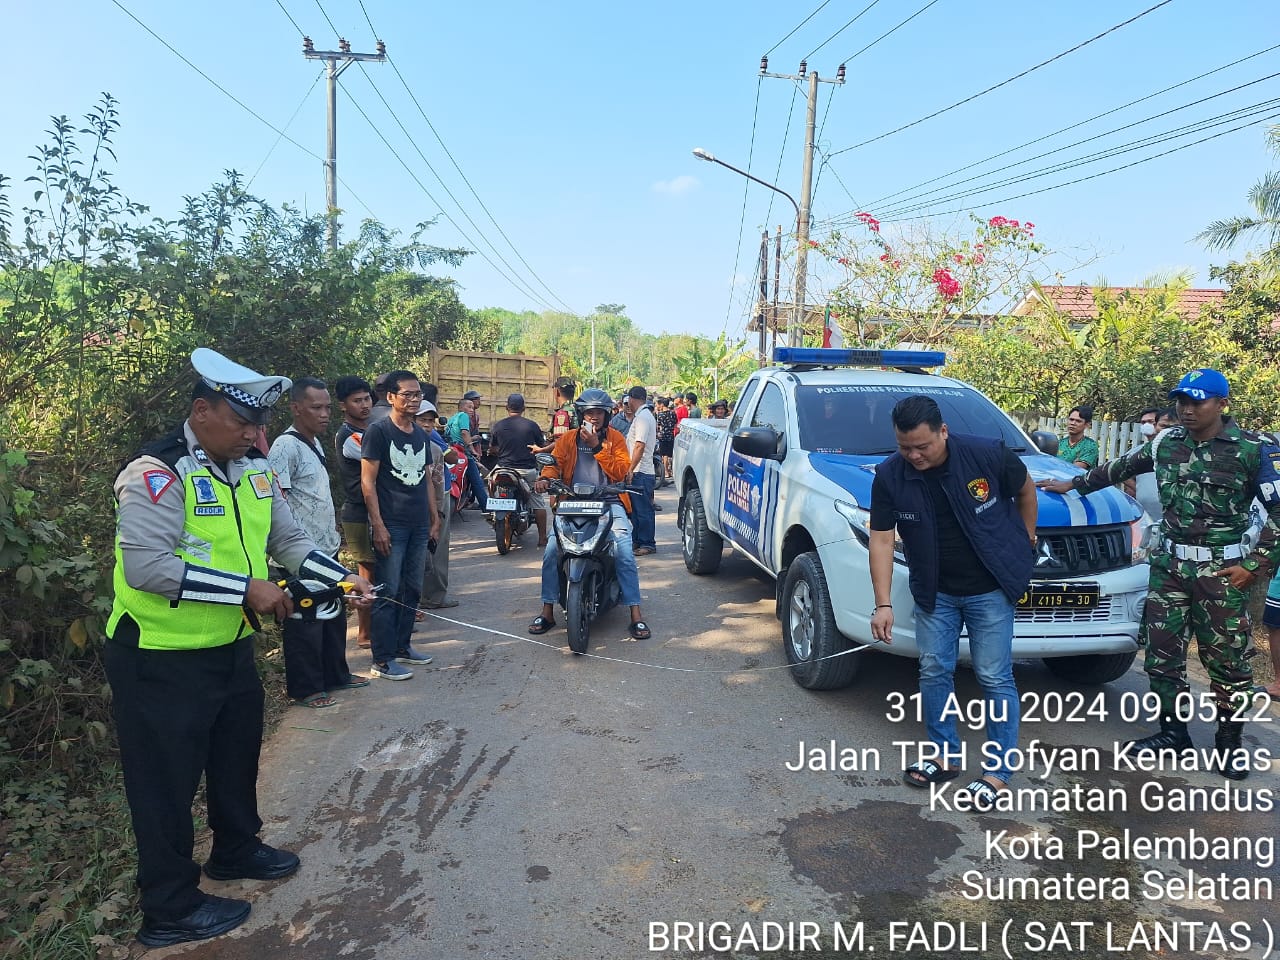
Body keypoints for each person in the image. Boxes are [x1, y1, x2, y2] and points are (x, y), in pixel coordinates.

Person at [104, 349, 373, 947]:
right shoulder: (157, 471)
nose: (256, 435)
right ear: (202, 411)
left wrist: (339, 578)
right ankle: (169, 906)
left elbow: (289, 538)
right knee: (164, 784)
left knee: (235, 756)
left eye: (258, 426)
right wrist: (245, 590)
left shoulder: (254, 469)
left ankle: (236, 848)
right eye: (243, 423)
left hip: (229, 647)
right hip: (158, 655)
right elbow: (147, 567)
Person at [1038, 369, 1280, 779]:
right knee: (1162, 654)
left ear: (1222, 404)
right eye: (1181, 401)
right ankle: (1173, 733)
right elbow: (1113, 469)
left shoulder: (1251, 450)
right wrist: (1072, 485)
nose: (1186, 410)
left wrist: (1254, 566)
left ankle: (1229, 743)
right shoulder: (1166, 442)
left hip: (1221, 572)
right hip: (1169, 567)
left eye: (1197, 402)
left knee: (1228, 660)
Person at [869, 395, 1036, 808]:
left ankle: (997, 771)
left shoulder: (985, 454)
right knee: (933, 670)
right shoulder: (890, 476)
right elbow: (882, 538)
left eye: (922, 447)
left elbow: (1026, 491)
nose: (914, 455)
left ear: (943, 431)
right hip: (935, 592)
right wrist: (883, 602)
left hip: (990, 589)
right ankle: (945, 755)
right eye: (904, 447)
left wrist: (1025, 541)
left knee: (995, 676)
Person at [268, 378, 368, 707]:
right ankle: (307, 688)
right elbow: (276, 501)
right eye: (316, 408)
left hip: (325, 549)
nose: (324, 414)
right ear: (296, 408)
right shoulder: (285, 447)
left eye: (327, 407)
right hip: (299, 554)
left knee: (333, 615)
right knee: (305, 621)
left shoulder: (314, 443)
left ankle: (336, 675)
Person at [528, 388, 651, 640]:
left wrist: (597, 447)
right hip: (571, 503)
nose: (594, 417)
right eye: (589, 412)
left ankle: (636, 614)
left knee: (625, 552)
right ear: (581, 414)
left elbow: (620, 472)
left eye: (599, 413)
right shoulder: (567, 440)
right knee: (552, 551)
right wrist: (544, 479)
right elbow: (554, 465)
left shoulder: (615, 439)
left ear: (607, 416)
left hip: (609, 503)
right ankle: (548, 610)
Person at [360, 370, 441, 679]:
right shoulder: (378, 432)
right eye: (407, 394)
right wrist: (378, 525)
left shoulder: (421, 435)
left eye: (417, 394)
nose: (413, 399)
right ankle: (381, 659)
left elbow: (426, 481)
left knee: (412, 588)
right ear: (390, 397)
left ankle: (403, 647)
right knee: (388, 590)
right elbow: (367, 483)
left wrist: (434, 518)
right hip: (392, 525)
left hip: (419, 524)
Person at [334, 376, 376, 648]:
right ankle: (364, 633)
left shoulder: (370, 430)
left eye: (367, 399)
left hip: (372, 511)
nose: (364, 405)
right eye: (356, 401)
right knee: (367, 572)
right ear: (343, 405)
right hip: (358, 513)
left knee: (376, 571)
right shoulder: (349, 436)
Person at [488, 392, 551, 545]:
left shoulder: (498, 425)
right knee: (538, 502)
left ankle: (492, 506)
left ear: (506, 407)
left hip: (502, 468)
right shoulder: (532, 425)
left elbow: (493, 448)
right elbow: (540, 447)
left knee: (490, 481)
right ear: (524, 408)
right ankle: (542, 538)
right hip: (527, 471)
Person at [418, 384, 460, 610]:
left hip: (428, 500)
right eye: (422, 420)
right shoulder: (433, 440)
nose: (426, 424)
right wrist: (436, 515)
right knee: (436, 546)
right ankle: (432, 597)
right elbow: (450, 459)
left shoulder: (429, 440)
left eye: (429, 420)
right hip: (432, 500)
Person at [624, 386, 658, 556]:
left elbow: (639, 445)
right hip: (639, 471)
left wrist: (630, 469)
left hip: (641, 471)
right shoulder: (642, 416)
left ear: (632, 398)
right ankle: (637, 540)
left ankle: (647, 543)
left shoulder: (644, 418)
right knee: (636, 510)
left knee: (643, 509)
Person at [1125, 406, 1174, 518]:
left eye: (1150, 421)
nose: (1146, 425)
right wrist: (1137, 488)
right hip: (1145, 515)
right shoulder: (1138, 452)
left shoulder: (1180, 451)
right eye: (1143, 422)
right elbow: (1118, 471)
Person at [445, 397, 489, 511]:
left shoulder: (452, 419)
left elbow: (456, 434)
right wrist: (472, 450)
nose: (471, 410)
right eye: (469, 407)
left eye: (473, 408)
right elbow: (464, 432)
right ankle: (486, 507)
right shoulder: (463, 416)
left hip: (452, 451)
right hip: (463, 453)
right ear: (461, 407)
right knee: (477, 481)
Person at [1057, 404, 1099, 469]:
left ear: (1087, 425)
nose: (1073, 423)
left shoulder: (1090, 446)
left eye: (1078, 421)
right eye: (1071, 419)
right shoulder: (1060, 443)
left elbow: (1074, 470)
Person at [654, 396, 677, 483]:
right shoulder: (673, 413)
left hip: (663, 436)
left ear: (662, 404)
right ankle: (670, 471)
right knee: (670, 454)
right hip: (671, 435)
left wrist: (658, 433)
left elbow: (658, 426)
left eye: (657, 404)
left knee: (664, 455)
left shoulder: (660, 414)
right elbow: (675, 423)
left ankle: (666, 471)